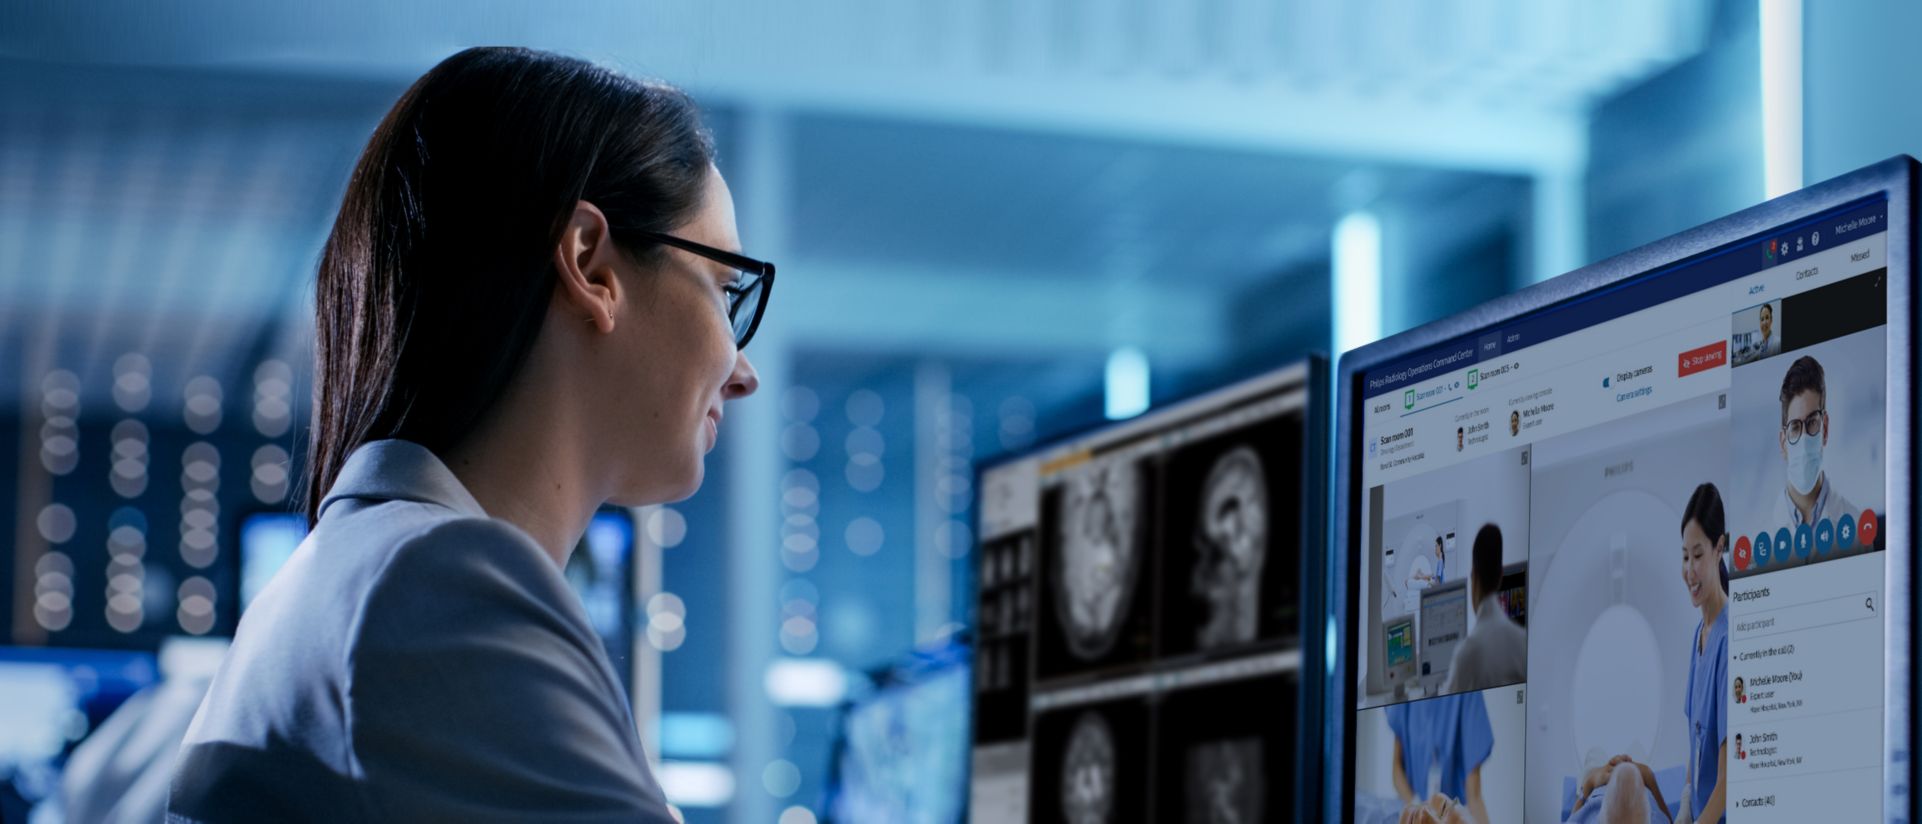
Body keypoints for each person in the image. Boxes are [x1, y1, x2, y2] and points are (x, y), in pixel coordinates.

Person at [169, 48, 767, 822]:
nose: (743, 370)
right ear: (592, 264)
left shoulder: (358, 572)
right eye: (724, 292)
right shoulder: (440, 584)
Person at [1679, 483, 1730, 824]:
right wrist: (1685, 804)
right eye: (1684, 556)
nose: (1689, 570)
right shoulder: (1700, 635)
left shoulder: (1729, 641)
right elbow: (1695, 750)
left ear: (1719, 548)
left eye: (1698, 555)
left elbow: (1727, 781)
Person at [1773, 356, 1857, 542]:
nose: (1803, 441)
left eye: (1812, 423)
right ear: (1783, 443)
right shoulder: (1760, 540)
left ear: (1825, 428)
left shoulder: (1855, 524)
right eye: (1795, 427)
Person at [1387, 693, 1493, 824]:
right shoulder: (1408, 688)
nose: (1424, 814)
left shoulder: (1467, 694)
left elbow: (1474, 795)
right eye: (1444, 809)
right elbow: (1396, 769)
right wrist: (1415, 805)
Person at [1444, 524, 1526, 693]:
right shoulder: (1522, 642)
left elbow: (1447, 706)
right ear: (1500, 576)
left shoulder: (1467, 653)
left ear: (1474, 576)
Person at [1566, 757, 1673, 824]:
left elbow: (1573, 818)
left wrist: (1591, 781)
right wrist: (1648, 777)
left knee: (1592, 756)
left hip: (1599, 784)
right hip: (1641, 780)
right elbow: (1668, 820)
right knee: (1637, 748)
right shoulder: (1654, 819)